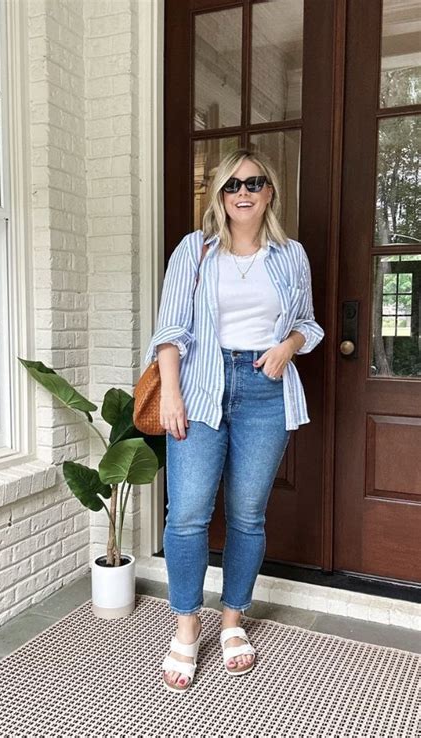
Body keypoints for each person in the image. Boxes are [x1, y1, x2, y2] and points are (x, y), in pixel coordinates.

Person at [144, 147, 324, 693]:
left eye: (254, 183)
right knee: (187, 514)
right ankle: (186, 625)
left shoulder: (290, 255)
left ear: (270, 192)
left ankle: (231, 620)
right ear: (219, 195)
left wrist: (288, 346)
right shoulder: (194, 250)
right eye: (232, 185)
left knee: (247, 515)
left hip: (264, 389)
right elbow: (170, 329)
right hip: (200, 387)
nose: (243, 193)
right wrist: (172, 395)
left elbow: (308, 323)